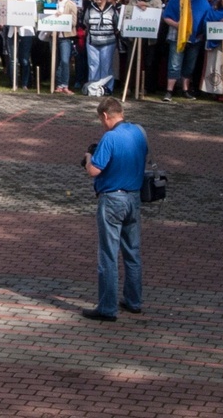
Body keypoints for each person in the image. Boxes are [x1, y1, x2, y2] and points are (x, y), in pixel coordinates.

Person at [81, 97, 148, 322]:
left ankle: (107, 308)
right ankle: (134, 301)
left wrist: (89, 157)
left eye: (101, 120)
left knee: (108, 255)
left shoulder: (109, 137)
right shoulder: (139, 132)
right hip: (134, 198)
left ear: (106, 116)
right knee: (133, 252)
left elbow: (94, 171)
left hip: (112, 200)